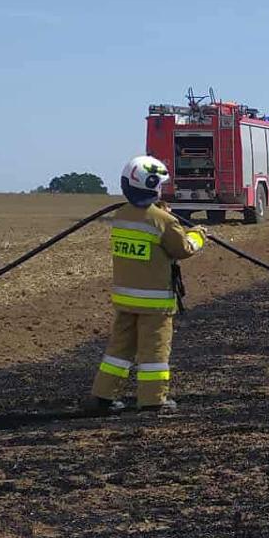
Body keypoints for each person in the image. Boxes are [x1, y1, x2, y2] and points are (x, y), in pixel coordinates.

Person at [94, 155, 206, 413]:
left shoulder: (121, 215)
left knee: (118, 350)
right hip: (154, 303)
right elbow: (183, 249)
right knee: (154, 353)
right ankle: (153, 399)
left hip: (125, 299)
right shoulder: (165, 221)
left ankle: (103, 396)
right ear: (154, 186)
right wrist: (198, 235)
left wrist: (160, 211)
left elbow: (145, 221)